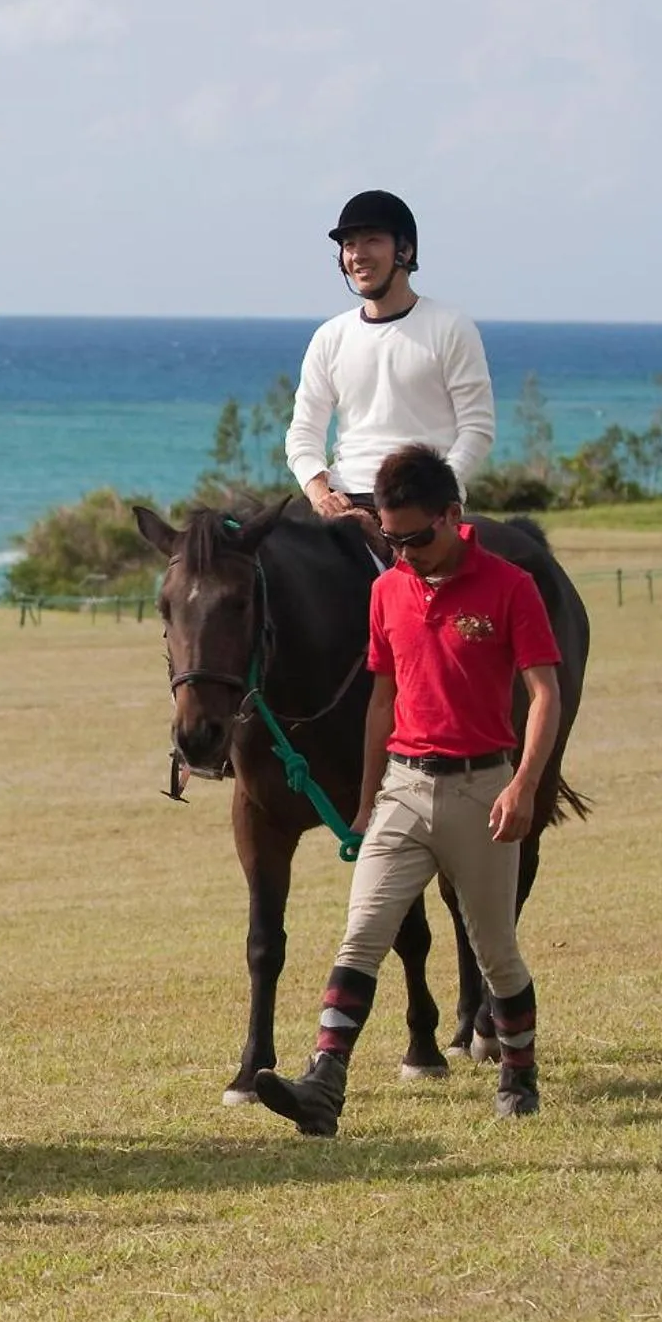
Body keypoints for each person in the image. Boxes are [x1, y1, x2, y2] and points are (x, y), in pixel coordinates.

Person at [255, 444, 561, 1135]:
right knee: (360, 935)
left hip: (481, 789)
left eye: (416, 538)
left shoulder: (510, 586)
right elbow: (381, 699)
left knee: (495, 950)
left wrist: (524, 785)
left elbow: (545, 695)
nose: (404, 553)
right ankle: (323, 1084)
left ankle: (519, 1072)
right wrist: (367, 800)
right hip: (402, 788)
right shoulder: (387, 589)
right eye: (391, 540)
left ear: (452, 516)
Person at [285, 190, 496, 517]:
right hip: (345, 500)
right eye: (349, 245)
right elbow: (303, 431)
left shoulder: (450, 326)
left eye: (372, 240)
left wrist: (436, 492)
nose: (358, 255)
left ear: (405, 250)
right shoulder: (330, 337)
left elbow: (477, 430)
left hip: (425, 506)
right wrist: (318, 491)